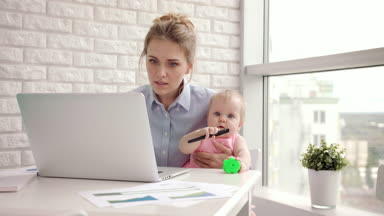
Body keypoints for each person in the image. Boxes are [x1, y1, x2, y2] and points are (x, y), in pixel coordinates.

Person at [133, 13, 233, 168]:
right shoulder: (130, 104)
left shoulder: (213, 104)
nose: (160, 73)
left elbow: (245, 163)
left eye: (172, 64)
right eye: (153, 61)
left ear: (189, 66)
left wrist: (229, 163)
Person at [179, 90, 251, 172]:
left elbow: (245, 157)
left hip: (222, 181)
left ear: (239, 125)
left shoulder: (236, 140)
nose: (222, 119)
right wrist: (198, 134)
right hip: (193, 178)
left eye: (230, 116)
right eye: (217, 114)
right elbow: (183, 148)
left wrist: (240, 164)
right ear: (207, 117)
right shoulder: (203, 134)